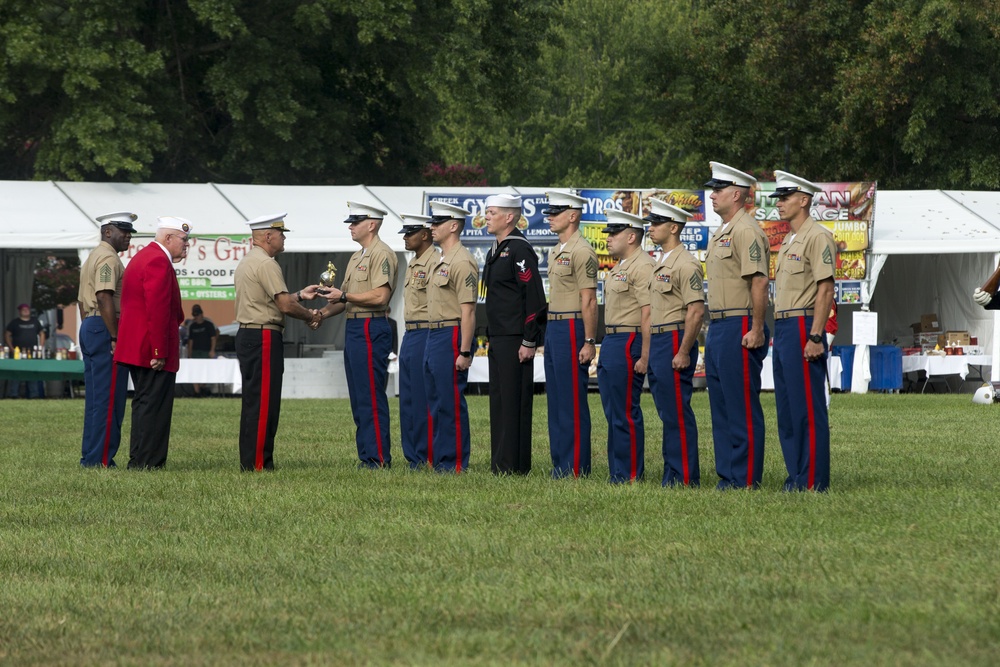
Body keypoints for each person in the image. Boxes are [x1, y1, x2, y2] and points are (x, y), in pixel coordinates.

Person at [234, 213, 324, 471]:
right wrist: (310, 316)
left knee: (255, 400)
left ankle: (252, 460)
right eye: (281, 233)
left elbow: (270, 299)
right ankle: (259, 463)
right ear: (268, 236)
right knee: (264, 403)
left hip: (251, 333)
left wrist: (299, 296)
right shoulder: (267, 264)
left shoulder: (250, 261)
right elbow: (283, 305)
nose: (284, 238)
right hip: (263, 335)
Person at [704, 161, 770, 490]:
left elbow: (759, 282)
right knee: (721, 405)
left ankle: (745, 478)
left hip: (739, 323)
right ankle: (728, 474)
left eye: (718, 190)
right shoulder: (723, 232)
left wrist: (757, 329)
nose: (712, 195)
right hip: (718, 325)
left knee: (741, 404)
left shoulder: (746, 230)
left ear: (736, 194)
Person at [318, 201, 399, 469]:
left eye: (355, 222)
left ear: (372, 225)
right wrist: (320, 314)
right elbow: (343, 299)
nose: (350, 227)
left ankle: (378, 458)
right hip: (355, 326)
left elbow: (380, 296)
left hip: (371, 326)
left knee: (371, 395)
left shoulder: (382, 254)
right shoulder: (357, 256)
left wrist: (344, 296)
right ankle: (367, 455)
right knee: (358, 395)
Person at [770, 171, 836, 492]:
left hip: (803, 325)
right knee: (787, 409)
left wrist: (815, 336)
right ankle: (796, 474)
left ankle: (813, 480)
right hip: (783, 326)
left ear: (804, 200)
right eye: (779, 198)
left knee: (808, 408)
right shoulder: (787, 241)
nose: (779, 204)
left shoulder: (817, 236)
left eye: (785, 198)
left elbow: (825, 290)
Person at [114, 217, 189, 470]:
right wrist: (159, 350)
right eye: (184, 240)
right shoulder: (157, 260)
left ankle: (140, 458)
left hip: (139, 346)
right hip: (150, 348)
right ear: (168, 238)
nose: (186, 246)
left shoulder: (147, 256)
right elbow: (156, 309)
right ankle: (148, 461)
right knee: (154, 406)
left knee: (145, 403)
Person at [482, 194, 547, 475]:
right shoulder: (495, 249)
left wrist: (529, 339)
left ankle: (513, 465)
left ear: (509, 217)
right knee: (499, 401)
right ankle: (501, 463)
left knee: (513, 403)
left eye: (491, 212)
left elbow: (533, 297)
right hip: (497, 336)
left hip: (514, 338)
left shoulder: (519, 250)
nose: (486, 217)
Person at [644, 199, 705, 487]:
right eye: (651, 222)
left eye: (657, 223)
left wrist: (683, 350)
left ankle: (684, 477)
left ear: (674, 227)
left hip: (673, 339)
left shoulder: (686, 263)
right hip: (658, 340)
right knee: (667, 411)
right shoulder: (662, 262)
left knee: (678, 411)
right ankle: (672, 472)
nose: (651, 228)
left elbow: (695, 310)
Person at [542, 190, 598, 478]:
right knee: (556, 400)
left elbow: (588, 299)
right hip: (554, 326)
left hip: (572, 326)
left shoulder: (582, 251)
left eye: (556, 212)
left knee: (572, 401)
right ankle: (560, 464)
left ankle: (575, 466)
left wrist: (589, 341)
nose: (550, 217)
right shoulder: (557, 249)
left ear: (573, 216)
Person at [598, 208, 655, 484]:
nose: (608, 238)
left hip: (629, 339)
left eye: (614, 233)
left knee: (624, 411)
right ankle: (618, 471)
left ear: (632, 236)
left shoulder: (643, 266)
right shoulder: (619, 267)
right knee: (612, 412)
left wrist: (645, 355)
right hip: (612, 339)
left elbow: (648, 313)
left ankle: (630, 473)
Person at [76, 212, 134, 466]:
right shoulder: (108, 258)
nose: (128, 236)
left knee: (96, 399)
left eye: (130, 231)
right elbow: (104, 296)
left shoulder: (93, 256)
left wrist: (92, 325)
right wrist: (114, 335)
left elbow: (82, 301)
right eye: (123, 230)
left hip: (91, 323)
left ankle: (91, 455)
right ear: (108, 231)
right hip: (104, 325)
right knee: (109, 399)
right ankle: (100, 459)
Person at [424, 200, 478, 473]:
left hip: (452, 332)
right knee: (435, 400)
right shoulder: (441, 259)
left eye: (438, 223)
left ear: (453, 226)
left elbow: (468, 311)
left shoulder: (462, 261)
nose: (432, 227)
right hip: (435, 333)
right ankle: (440, 459)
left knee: (450, 402)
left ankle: (455, 462)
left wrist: (465, 351)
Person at [396, 213, 438, 469]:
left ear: (425, 234)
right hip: (410, 332)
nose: (405, 237)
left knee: (425, 397)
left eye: (410, 233)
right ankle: (413, 455)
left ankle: (429, 454)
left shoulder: (436, 261)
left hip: (427, 330)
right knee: (408, 398)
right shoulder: (413, 263)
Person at [5, 303, 46, 398]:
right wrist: (11, 349)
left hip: (32, 353)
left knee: (32, 374)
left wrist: (41, 347)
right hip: (17, 353)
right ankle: (14, 394)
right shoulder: (14, 323)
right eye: (23, 309)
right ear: (19, 311)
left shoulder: (35, 321)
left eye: (27, 309)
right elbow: (7, 335)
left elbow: (42, 333)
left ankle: (34, 394)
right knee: (16, 374)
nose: (25, 311)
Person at [186, 304, 218, 396]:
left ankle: (203, 388)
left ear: (201, 314)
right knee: (195, 371)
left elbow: (213, 338)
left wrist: (212, 350)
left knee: (205, 371)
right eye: (195, 315)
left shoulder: (209, 324)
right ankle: (197, 391)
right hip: (196, 351)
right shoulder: (192, 326)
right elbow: (190, 341)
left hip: (205, 351)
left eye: (198, 314)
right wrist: (189, 353)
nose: (197, 317)